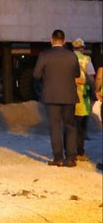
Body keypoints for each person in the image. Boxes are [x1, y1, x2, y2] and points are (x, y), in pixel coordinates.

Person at [33, 30, 78, 167]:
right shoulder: (72, 56)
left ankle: (58, 158)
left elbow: (36, 74)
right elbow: (76, 73)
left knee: (55, 127)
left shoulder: (45, 55)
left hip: (51, 95)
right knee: (70, 126)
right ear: (64, 41)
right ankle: (70, 158)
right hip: (69, 95)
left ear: (51, 40)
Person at [70, 38, 95, 161]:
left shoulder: (67, 59)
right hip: (82, 98)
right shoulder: (86, 60)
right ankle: (79, 153)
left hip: (68, 97)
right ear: (82, 48)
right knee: (80, 128)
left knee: (69, 126)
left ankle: (69, 152)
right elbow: (91, 79)